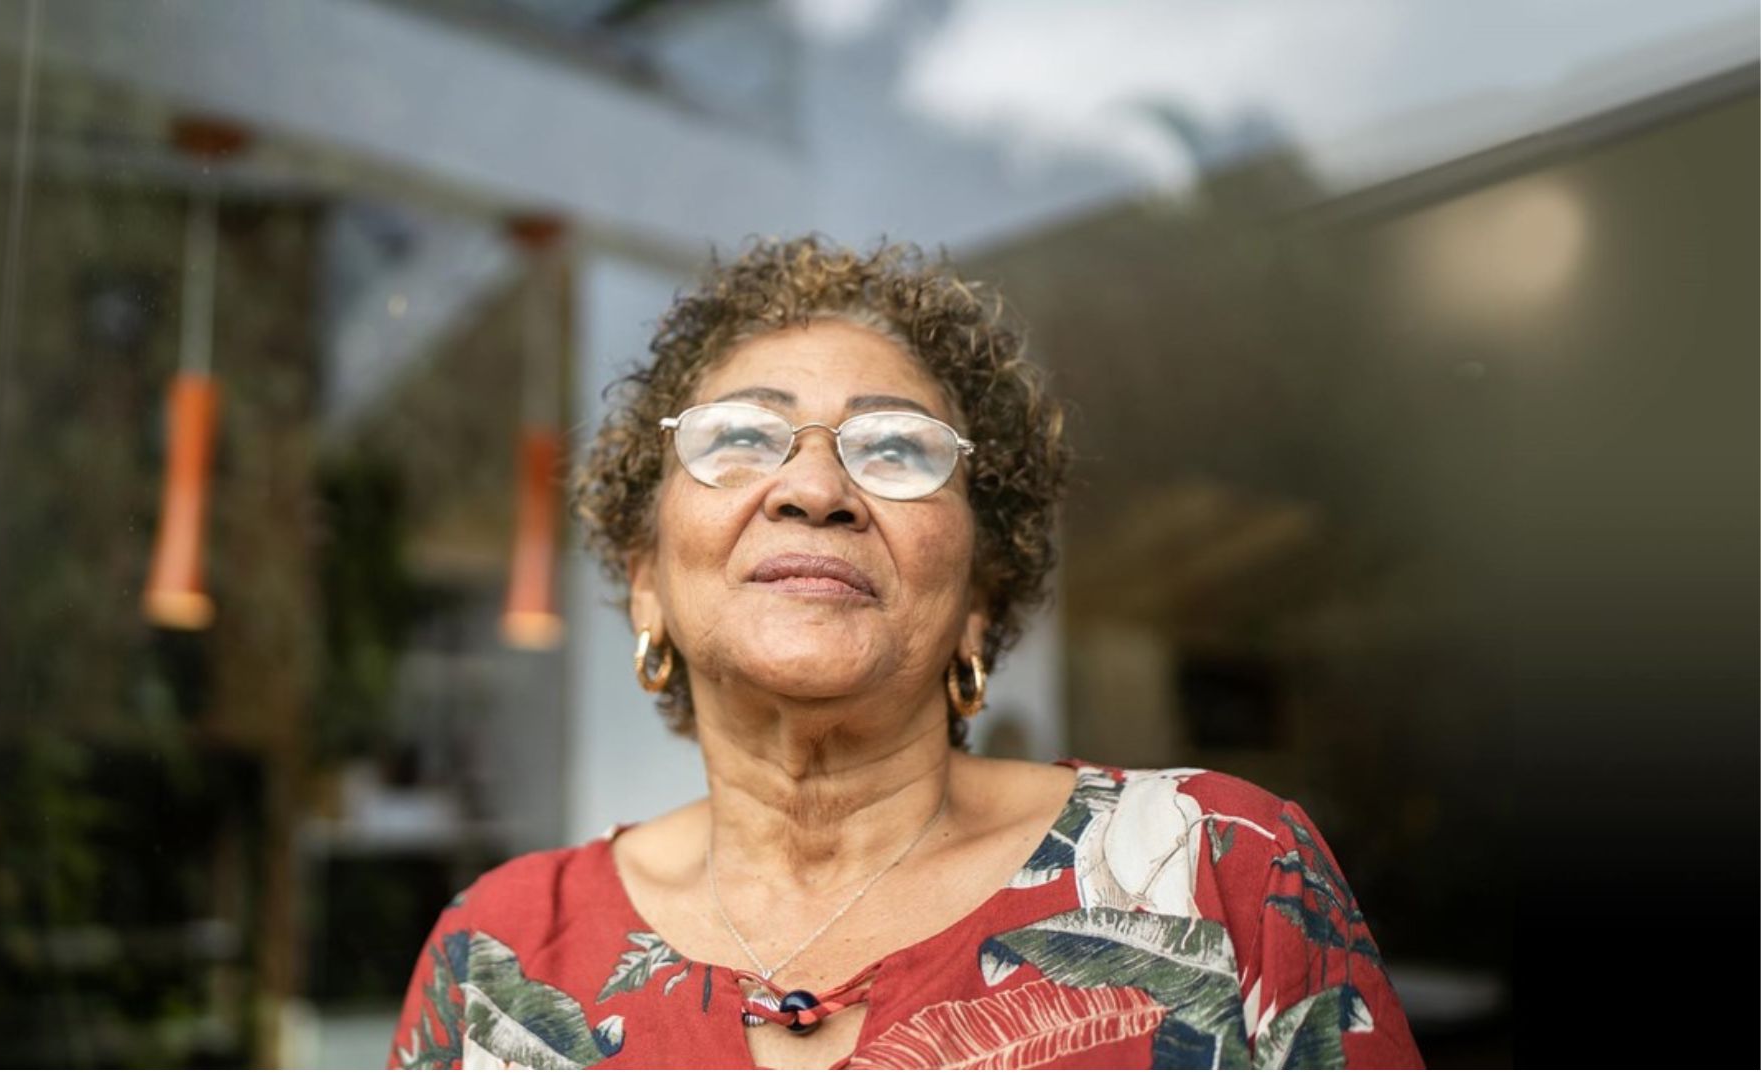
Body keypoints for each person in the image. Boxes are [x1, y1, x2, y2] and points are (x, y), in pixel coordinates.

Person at [387, 237, 1423, 1070]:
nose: (816, 489)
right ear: (647, 578)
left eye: (895, 449)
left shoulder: (1222, 867)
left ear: (979, 597)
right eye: (741, 437)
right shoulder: (497, 956)